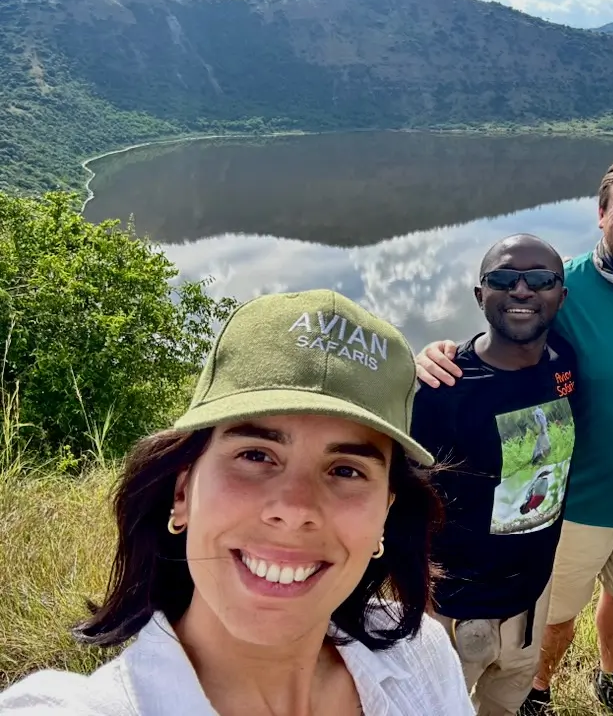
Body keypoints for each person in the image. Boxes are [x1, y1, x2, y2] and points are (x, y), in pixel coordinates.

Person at [0, 289, 475, 716]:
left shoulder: (420, 659)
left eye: (346, 470)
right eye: (255, 455)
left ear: (385, 514)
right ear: (182, 491)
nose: (294, 508)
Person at [416, 149, 613, 715]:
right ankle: (537, 689)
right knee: (552, 614)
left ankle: (611, 673)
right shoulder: (564, 288)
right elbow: (507, 331)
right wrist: (437, 356)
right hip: (570, 503)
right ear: (602, 214)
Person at [411, 233, 578, 716]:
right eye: (503, 278)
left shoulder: (564, 362)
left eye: (541, 279)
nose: (522, 290)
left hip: (530, 597)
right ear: (480, 295)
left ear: (560, 296)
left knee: (506, 705)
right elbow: (402, 500)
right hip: (453, 610)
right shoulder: (441, 387)